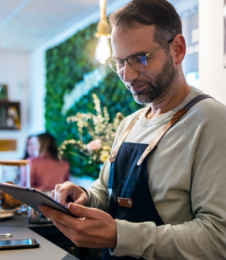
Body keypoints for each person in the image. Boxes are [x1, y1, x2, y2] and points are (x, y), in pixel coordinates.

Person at [39, 0, 226, 259]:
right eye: (119, 62)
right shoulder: (130, 123)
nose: (127, 76)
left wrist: (119, 235)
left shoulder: (211, 120)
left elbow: (218, 238)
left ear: (178, 49)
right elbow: (105, 192)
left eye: (140, 58)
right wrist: (83, 196)